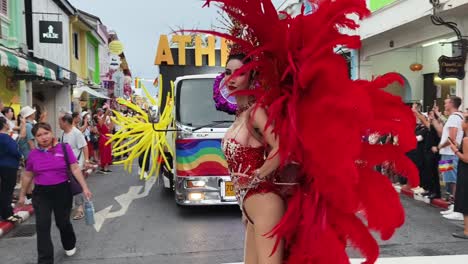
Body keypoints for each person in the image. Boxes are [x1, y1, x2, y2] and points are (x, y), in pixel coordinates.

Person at [17, 122, 92, 264]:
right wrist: (22, 195)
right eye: (39, 135)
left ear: (51, 133)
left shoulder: (64, 148)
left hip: (62, 191)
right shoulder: (33, 155)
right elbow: (27, 176)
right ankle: (45, 260)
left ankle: (69, 243)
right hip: (41, 194)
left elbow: (75, 168)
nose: (43, 137)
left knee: (62, 222)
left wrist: (85, 188)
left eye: (46, 133)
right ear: (35, 138)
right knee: (42, 226)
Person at [433, 96, 464, 220]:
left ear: (451, 104)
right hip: (448, 153)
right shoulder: (455, 117)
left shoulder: (454, 118)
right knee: (449, 180)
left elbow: (452, 137)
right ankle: (453, 205)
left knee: (453, 180)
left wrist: (439, 146)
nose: (444, 105)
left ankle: (458, 207)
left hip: (450, 153)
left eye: (446, 103)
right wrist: (437, 114)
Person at [59, 113, 91, 220]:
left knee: (76, 186)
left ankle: (80, 209)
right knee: (68, 186)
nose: (58, 123)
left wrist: (86, 161)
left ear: (65, 122)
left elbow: (85, 146)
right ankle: (70, 206)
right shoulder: (63, 133)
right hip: (66, 165)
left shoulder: (76, 133)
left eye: (60, 121)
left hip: (77, 164)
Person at [0, 117, 22, 223]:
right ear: (4, 125)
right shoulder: (6, 137)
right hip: (9, 166)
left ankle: (4, 212)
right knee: (7, 191)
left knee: (3, 190)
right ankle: (7, 214)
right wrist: (20, 156)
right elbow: (15, 151)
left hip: (2, 165)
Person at [450, 115, 468, 239]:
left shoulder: (466, 139)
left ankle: (467, 230)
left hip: (465, 172)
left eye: (463, 120)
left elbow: (466, 158)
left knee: (464, 200)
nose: (461, 122)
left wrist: (455, 150)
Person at [96, 108, 113, 173]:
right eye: (99, 118)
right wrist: (106, 113)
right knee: (104, 153)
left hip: (107, 139)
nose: (101, 118)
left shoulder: (104, 124)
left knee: (107, 152)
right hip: (103, 140)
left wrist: (111, 117)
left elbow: (111, 128)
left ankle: (105, 166)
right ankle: (104, 167)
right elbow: (103, 119)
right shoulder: (100, 124)